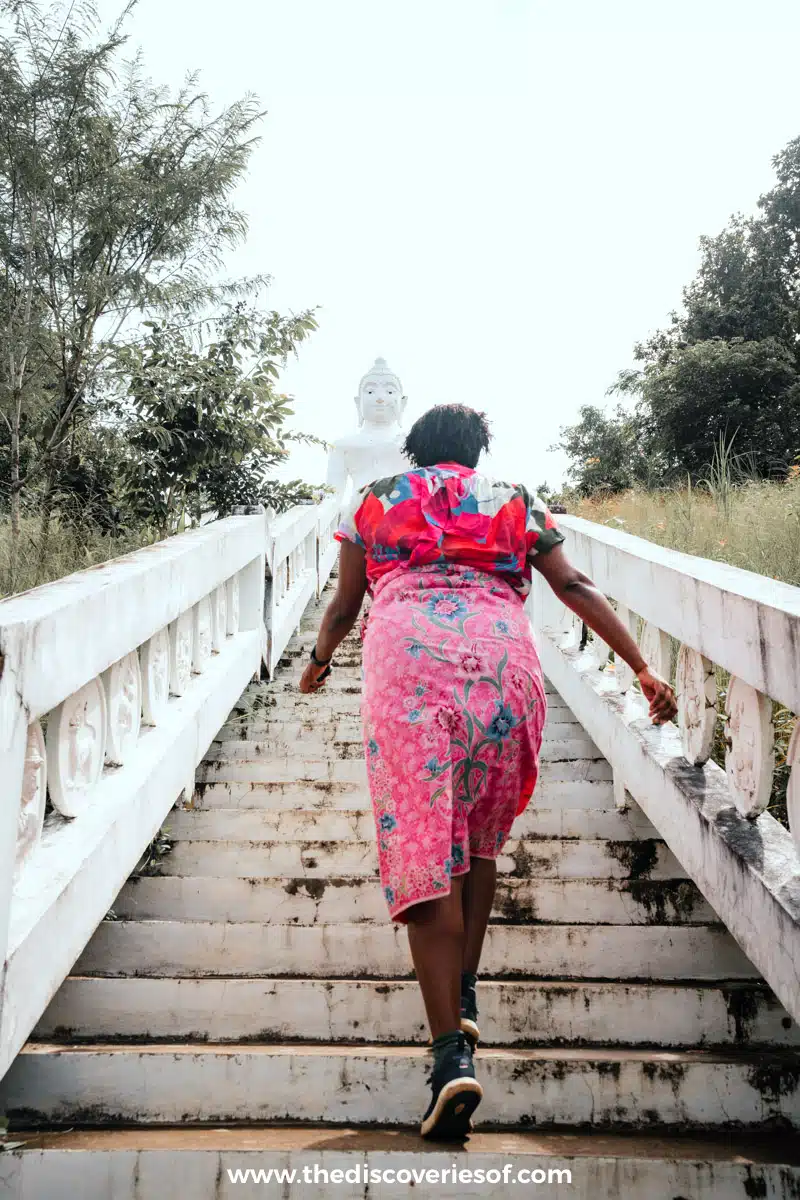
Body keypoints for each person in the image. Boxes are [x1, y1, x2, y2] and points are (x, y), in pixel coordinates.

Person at [299, 404, 677, 1140]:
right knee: (475, 842)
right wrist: (641, 667)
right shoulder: (514, 499)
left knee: (421, 850)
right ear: (477, 455)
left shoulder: (373, 498)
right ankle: (465, 986)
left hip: (408, 664)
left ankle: (449, 1061)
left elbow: (346, 604)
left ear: (414, 452)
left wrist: (317, 664)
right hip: (504, 666)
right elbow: (573, 587)